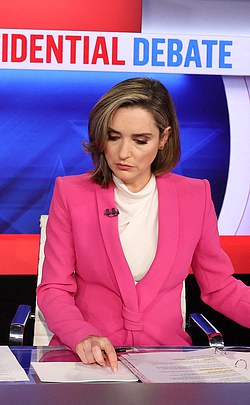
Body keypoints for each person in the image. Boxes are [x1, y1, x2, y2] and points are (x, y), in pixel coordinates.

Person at [36, 77, 250, 372]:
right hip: (86, 362)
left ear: (164, 138)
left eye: (140, 140)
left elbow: (220, 287)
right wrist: (82, 335)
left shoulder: (194, 196)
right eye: (113, 137)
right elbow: (54, 288)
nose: (124, 153)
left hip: (168, 363)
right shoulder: (71, 193)